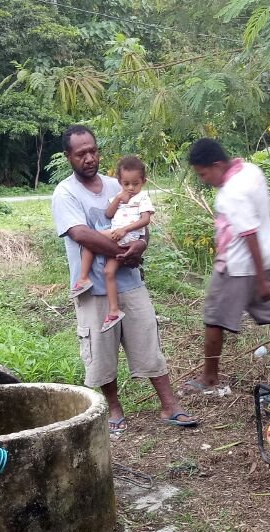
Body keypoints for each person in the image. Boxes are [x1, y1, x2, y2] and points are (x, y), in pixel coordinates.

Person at [50, 125, 199, 432]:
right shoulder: (65, 193)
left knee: (147, 338)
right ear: (68, 157)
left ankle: (170, 406)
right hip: (93, 288)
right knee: (101, 353)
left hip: (130, 280)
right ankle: (114, 408)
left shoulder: (117, 184)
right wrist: (124, 252)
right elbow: (82, 234)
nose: (89, 158)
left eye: (93, 150)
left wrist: (140, 247)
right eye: (81, 154)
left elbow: (142, 227)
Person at [184, 138, 270, 394]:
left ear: (217, 165)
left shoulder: (232, 192)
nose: (203, 179)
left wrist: (260, 279)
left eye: (204, 173)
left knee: (214, 319)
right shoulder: (251, 171)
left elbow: (248, 233)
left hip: (238, 267)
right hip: (266, 258)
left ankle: (209, 378)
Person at [71, 155, 155, 333]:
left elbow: (145, 220)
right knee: (108, 271)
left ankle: (84, 278)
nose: (131, 188)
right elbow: (109, 214)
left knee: (90, 240)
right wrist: (118, 199)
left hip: (127, 238)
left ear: (143, 182)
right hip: (119, 236)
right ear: (120, 182)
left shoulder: (143, 198)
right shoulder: (120, 195)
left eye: (135, 184)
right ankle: (114, 310)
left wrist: (126, 229)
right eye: (126, 184)